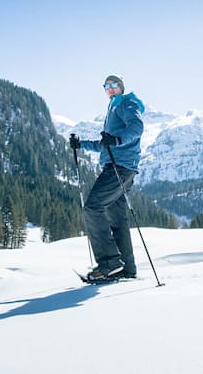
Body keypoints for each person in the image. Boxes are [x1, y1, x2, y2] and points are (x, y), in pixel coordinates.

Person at [69, 75, 145, 281]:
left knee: (93, 207)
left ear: (121, 87)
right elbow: (106, 144)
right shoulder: (114, 108)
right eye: (107, 86)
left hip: (119, 167)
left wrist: (118, 139)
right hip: (124, 167)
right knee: (117, 217)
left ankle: (110, 262)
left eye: (114, 85)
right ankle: (126, 268)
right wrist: (81, 144)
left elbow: (137, 127)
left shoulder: (125, 103)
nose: (110, 89)